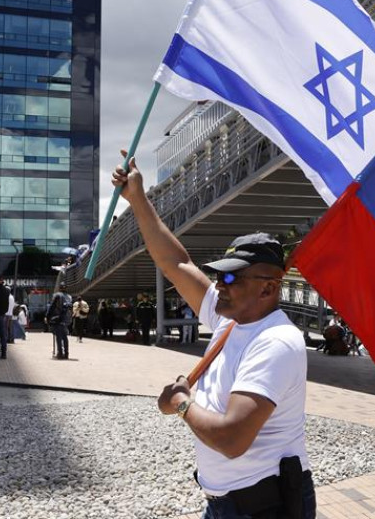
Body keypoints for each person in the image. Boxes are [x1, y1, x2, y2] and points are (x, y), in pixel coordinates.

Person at [113, 151, 316, 518]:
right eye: (220, 275)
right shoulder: (232, 320)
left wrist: (181, 403)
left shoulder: (275, 342)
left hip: (263, 508)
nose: (220, 285)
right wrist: (138, 199)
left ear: (268, 289)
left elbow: (231, 439)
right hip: (230, 505)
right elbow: (175, 263)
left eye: (232, 277)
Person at [47, 289, 72, 359]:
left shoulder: (55, 301)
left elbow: (50, 311)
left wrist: (48, 319)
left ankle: (60, 353)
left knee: (59, 337)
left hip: (57, 322)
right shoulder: (66, 302)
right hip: (64, 322)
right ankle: (66, 353)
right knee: (64, 338)